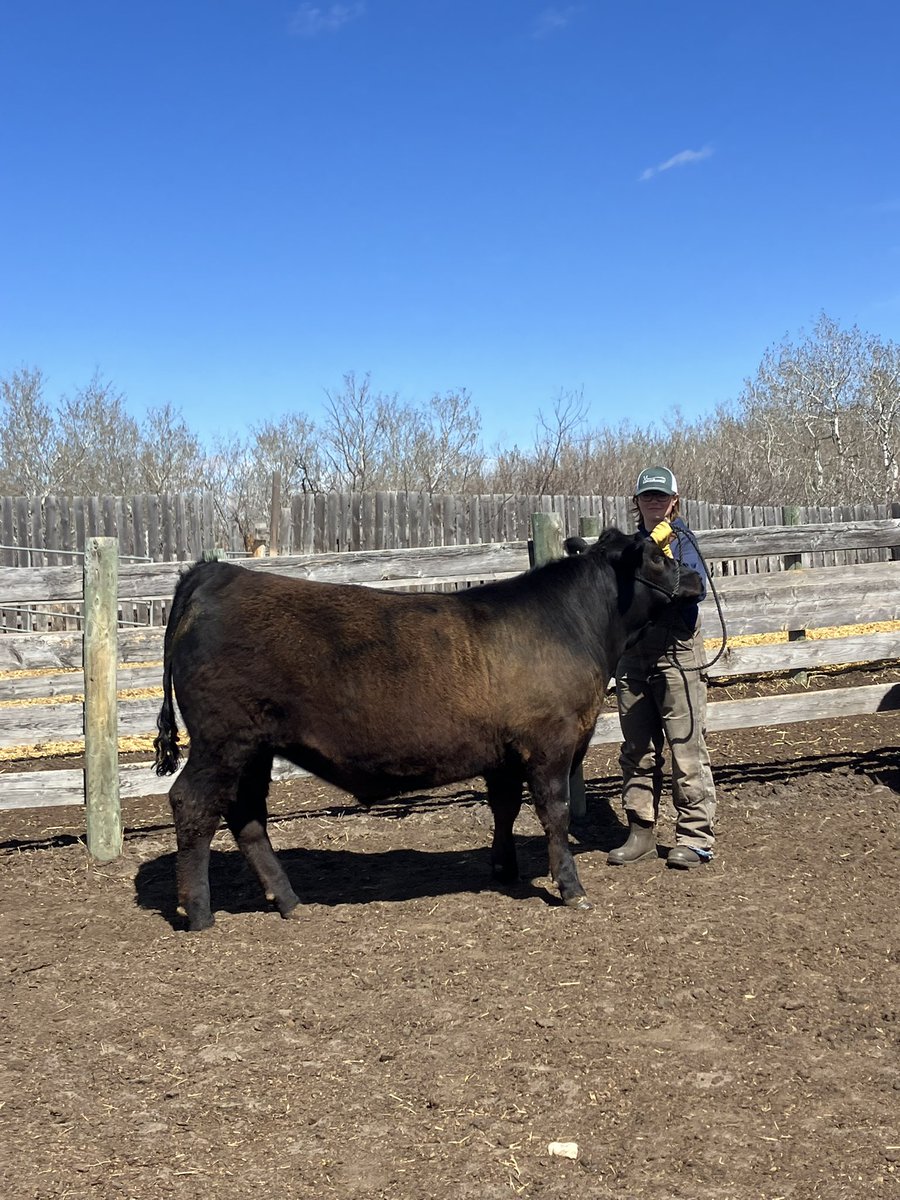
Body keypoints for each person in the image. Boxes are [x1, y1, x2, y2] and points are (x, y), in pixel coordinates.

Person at [607, 466, 717, 869]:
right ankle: (641, 831)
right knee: (637, 749)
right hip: (633, 656)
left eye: (661, 496)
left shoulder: (685, 541)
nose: (654, 502)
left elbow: (696, 587)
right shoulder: (630, 545)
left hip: (677, 654)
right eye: (646, 496)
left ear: (675, 501)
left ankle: (695, 837)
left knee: (687, 746)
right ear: (636, 502)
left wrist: (665, 553)